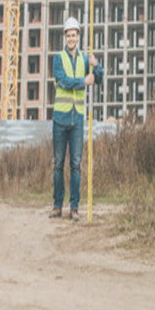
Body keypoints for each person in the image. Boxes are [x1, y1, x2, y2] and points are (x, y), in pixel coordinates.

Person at [49, 17, 103, 221]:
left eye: (74, 35)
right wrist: (83, 81)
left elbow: (99, 79)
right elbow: (63, 81)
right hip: (60, 120)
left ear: (78, 37)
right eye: (68, 35)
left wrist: (96, 66)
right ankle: (57, 205)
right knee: (58, 164)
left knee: (76, 165)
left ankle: (74, 207)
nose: (71, 39)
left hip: (78, 120)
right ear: (65, 37)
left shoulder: (84, 60)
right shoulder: (58, 59)